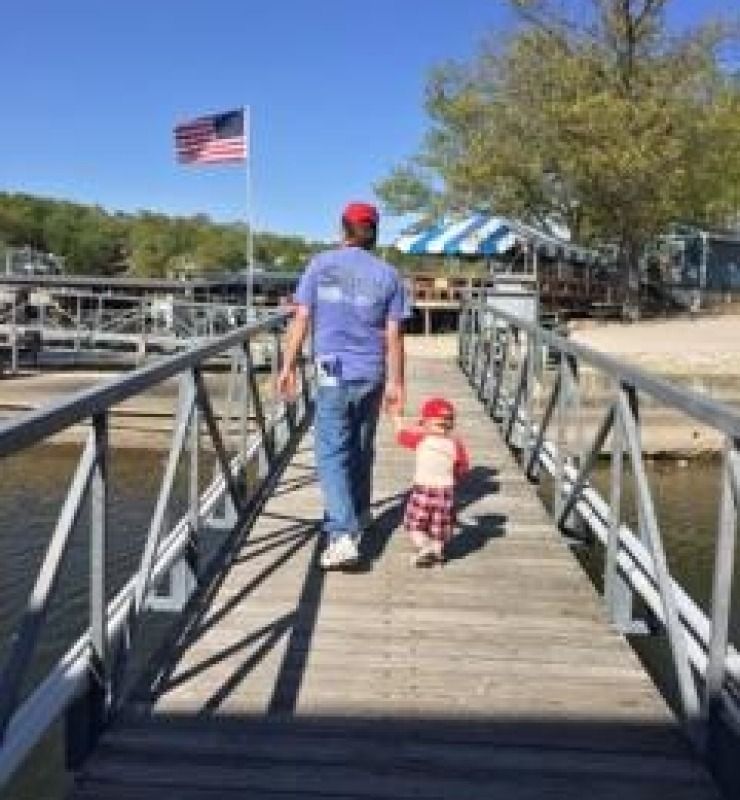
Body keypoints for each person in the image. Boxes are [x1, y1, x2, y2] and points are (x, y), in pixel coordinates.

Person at [277, 202, 407, 569]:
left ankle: (342, 534)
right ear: (374, 233)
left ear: (343, 228)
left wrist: (287, 366)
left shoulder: (320, 265)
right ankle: (362, 512)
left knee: (332, 451)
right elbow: (395, 336)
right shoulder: (389, 275)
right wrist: (397, 384)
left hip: (332, 370)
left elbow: (302, 317)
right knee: (362, 445)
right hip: (372, 373)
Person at [394, 397, 469, 567]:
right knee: (439, 529)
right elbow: (463, 468)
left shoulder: (421, 439)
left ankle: (424, 546)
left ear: (425, 423)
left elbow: (401, 436)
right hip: (445, 493)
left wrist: (397, 418)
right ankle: (437, 550)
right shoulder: (456, 444)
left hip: (423, 491)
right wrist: (453, 477)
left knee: (414, 526)